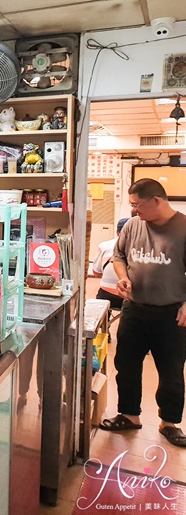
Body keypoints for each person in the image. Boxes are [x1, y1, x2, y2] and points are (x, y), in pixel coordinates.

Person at [99, 179, 186, 448]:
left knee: (171, 371)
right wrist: (123, 278)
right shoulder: (133, 225)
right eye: (132, 205)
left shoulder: (183, 228)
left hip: (171, 313)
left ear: (157, 201)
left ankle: (169, 423)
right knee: (125, 365)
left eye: (138, 205)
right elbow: (119, 256)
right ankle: (129, 415)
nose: (134, 210)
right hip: (134, 308)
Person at [89, 217, 130, 310]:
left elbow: (96, 272)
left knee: (102, 302)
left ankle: (104, 323)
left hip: (107, 295)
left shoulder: (104, 246)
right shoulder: (141, 248)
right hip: (132, 298)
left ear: (117, 232)